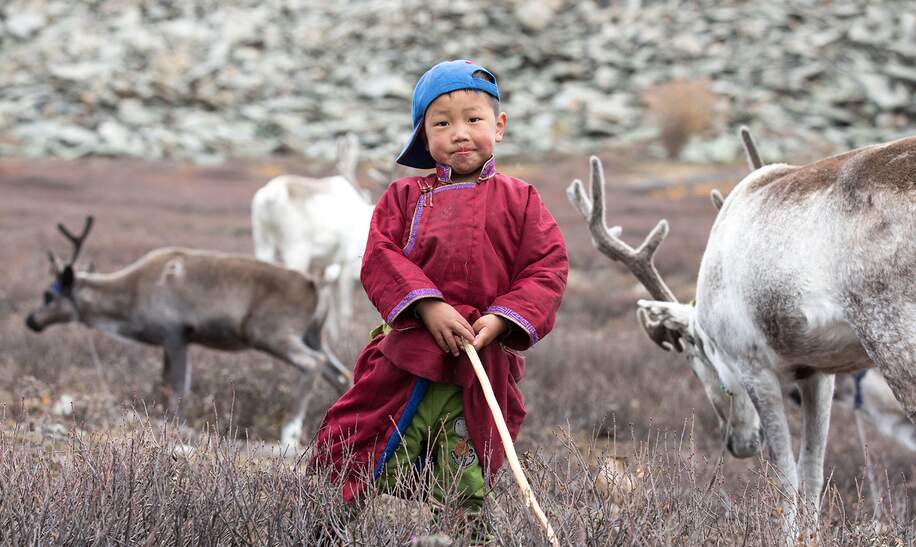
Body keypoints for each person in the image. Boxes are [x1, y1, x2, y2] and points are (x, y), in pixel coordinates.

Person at [314, 59, 568, 515]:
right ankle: (327, 527)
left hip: (479, 364)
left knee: (464, 478)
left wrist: (502, 318)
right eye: (443, 123)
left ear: (500, 125)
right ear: (423, 135)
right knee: (357, 450)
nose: (460, 133)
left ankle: (462, 534)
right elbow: (380, 255)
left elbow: (545, 269)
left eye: (474, 119)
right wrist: (428, 306)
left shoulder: (522, 199)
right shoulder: (403, 198)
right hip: (408, 358)